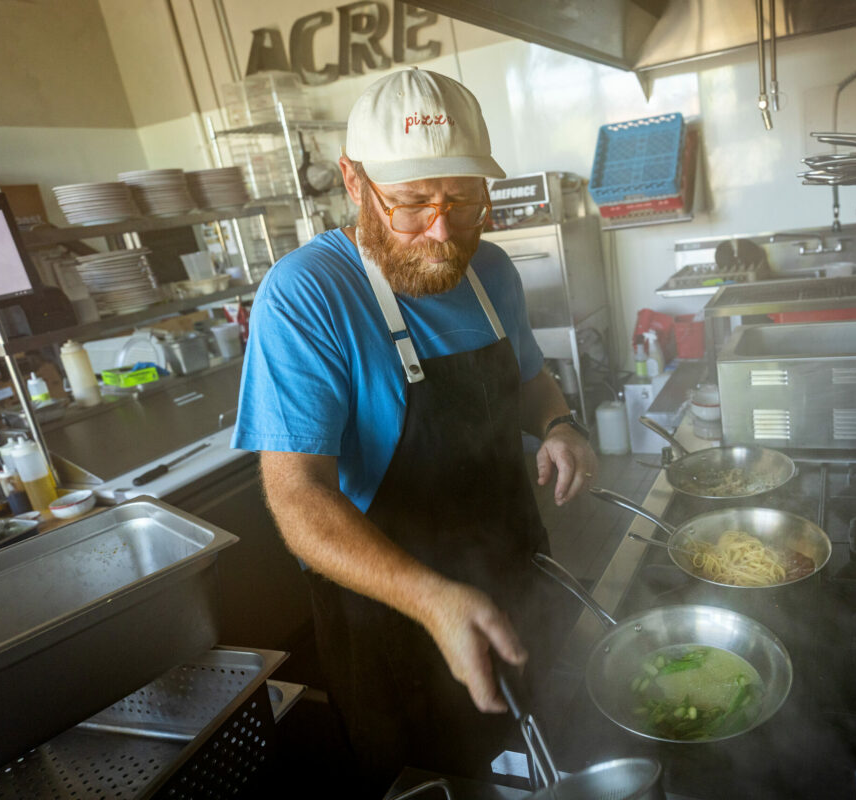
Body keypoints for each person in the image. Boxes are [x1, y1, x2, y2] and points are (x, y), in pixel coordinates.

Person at [232, 67, 598, 793]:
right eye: (411, 205)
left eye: (463, 202)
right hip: (392, 630)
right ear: (354, 181)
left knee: (547, 764)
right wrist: (434, 599)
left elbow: (529, 380)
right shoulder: (308, 294)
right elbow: (298, 498)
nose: (441, 231)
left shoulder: (492, 270)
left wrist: (557, 423)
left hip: (515, 585)